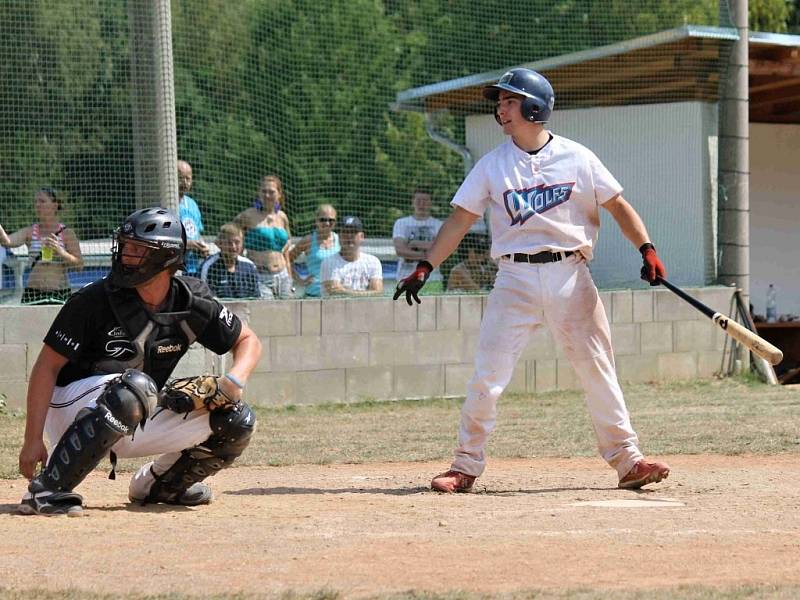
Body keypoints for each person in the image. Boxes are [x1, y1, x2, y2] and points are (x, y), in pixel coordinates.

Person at [393, 68, 670, 493]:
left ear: (534, 107)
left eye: (509, 100)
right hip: (514, 277)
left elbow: (617, 206)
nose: (500, 108)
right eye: (500, 101)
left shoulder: (578, 157)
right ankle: (464, 465)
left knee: (597, 369)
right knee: (489, 374)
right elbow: (460, 219)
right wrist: (426, 265)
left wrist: (646, 248)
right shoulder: (493, 164)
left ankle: (628, 461)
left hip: (571, 275)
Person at [17, 207, 262, 516]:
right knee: (134, 388)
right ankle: (47, 489)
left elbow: (248, 341)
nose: (124, 254)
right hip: (70, 408)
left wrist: (233, 382)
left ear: (166, 256)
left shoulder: (192, 302)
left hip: (133, 406)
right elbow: (45, 367)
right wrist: (32, 439)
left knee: (236, 421)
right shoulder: (94, 299)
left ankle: (159, 486)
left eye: (137, 249)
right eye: (124, 245)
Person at [0, 187, 83, 304]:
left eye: (42, 201)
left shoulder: (67, 233)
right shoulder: (30, 231)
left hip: (59, 292)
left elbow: (79, 265)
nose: (37, 205)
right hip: (33, 292)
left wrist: (60, 252)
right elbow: (6, 242)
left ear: (55, 205)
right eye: (36, 202)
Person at [235, 175, 293, 299]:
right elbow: (231, 236)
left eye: (271, 192)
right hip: (259, 276)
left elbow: (286, 252)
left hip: (283, 276)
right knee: (266, 312)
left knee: (287, 313)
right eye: (264, 191)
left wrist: (290, 276)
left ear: (279, 194)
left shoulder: (282, 217)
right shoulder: (248, 215)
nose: (267, 195)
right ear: (259, 193)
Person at [320, 216, 382, 297]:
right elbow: (335, 293)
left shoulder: (373, 262)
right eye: (345, 232)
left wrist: (344, 291)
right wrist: (367, 293)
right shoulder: (329, 262)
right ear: (339, 236)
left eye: (353, 232)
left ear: (362, 236)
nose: (349, 236)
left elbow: (377, 292)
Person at [287, 203, 340, 298]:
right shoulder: (308, 240)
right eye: (323, 220)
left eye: (331, 220)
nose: (327, 223)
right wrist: (300, 280)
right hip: (313, 294)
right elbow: (287, 259)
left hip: (336, 295)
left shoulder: (341, 241)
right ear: (316, 221)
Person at [392, 189, 443, 286]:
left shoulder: (438, 225)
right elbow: (400, 250)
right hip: (405, 278)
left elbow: (441, 248)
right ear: (412, 202)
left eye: (425, 200)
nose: (421, 204)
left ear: (431, 203)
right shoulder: (401, 223)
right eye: (418, 200)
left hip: (432, 280)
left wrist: (414, 243)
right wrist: (428, 254)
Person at [199, 223, 261, 299]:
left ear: (242, 244)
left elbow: (256, 297)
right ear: (220, 244)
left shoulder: (250, 266)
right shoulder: (209, 267)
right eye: (229, 243)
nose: (233, 247)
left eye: (237, 242)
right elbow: (206, 299)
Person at [177, 160, 210, 275]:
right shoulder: (167, 203)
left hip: (193, 267)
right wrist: (187, 244)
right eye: (180, 178)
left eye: (188, 178)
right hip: (174, 267)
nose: (184, 182)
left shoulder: (192, 204)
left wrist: (202, 246)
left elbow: (197, 233)